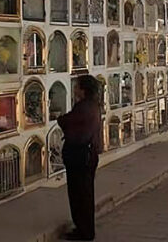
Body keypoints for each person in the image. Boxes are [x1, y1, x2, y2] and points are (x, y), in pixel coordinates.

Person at [57, 75, 103, 241]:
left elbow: (66, 121)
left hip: (80, 155)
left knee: (79, 194)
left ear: (83, 90)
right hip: (88, 155)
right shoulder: (93, 105)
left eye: (77, 86)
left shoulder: (83, 107)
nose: (74, 89)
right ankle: (85, 229)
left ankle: (84, 231)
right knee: (85, 193)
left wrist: (61, 118)